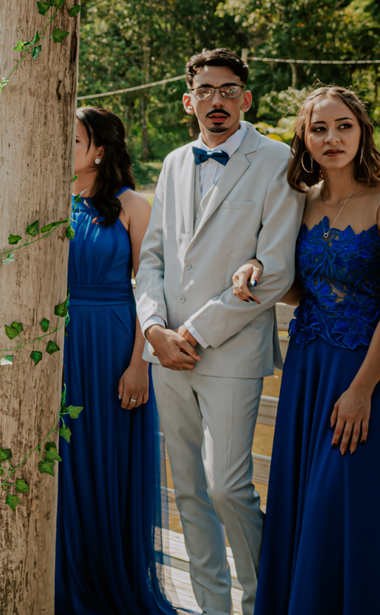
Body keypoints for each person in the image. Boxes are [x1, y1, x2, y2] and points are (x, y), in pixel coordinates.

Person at [136, 49, 304, 615]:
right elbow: (153, 257)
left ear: (245, 99)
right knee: (187, 489)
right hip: (165, 351)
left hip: (229, 350)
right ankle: (211, 607)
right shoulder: (173, 162)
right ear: (189, 101)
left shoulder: (277, 160)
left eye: (228, 90)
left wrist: (195, 333)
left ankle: (263, 603)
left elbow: (275, 269)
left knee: (228, 486)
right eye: (205, 91)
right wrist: (154, 328)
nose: (217, 101)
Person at [231, 86, 380, 615]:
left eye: (343, 126)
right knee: (302, 496)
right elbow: (301, 287)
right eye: (319, 129)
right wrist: (257, 268)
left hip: (362, 370)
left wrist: (362, 390)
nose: (332, 138)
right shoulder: (301, 200)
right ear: (305, 139)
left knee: (340, 497)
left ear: (362, 131)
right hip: (306, 367)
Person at [56, 107, 177, 615]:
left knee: (106, 458)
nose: (63, 146)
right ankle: (64, 580)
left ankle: (110, 582)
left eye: (73, 139)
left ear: (99, 150)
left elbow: (150, 288)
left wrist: (140, 363)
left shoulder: (131, 205)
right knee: (64, 460)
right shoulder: (50, 201)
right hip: (59, 344)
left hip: (113, 341)